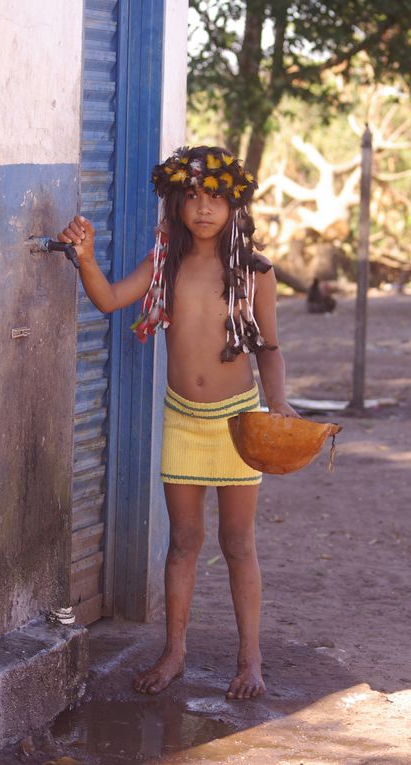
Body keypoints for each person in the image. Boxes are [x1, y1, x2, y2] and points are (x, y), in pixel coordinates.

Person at [58, 145, 298, 700]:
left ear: (235, 204)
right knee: (184, 541)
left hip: (239, 426)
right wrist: (87, 257)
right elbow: (111, 299)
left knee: (238, 542)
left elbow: (269, 348)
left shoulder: (255, 273)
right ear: (177, 204)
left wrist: (278, 402)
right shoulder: (165, 264)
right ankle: (174, 652)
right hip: (183, 421)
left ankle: (250, 659)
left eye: (215, 197)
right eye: (192, 197)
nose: (204, 208)